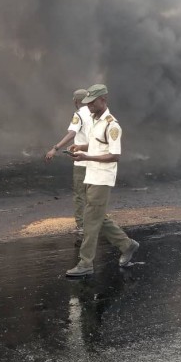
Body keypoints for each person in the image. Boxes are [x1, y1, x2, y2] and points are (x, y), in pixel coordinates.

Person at [65, 84, 139, 277]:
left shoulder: (112, 125)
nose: (88, 106)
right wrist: (81, 147)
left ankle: (86, 263)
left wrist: (86, 157)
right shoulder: (95, 120)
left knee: (90, 220)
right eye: (87, 103)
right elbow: (97, 145)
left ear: (103, 100)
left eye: (92, 103)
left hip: (102, 178)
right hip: (91, 174)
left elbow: (114, 155)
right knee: (98, 216)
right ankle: (127, 244)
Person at [45, 88, 92, 233]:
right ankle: (94, 223)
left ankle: (81, 226)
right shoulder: (97, 113)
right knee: (94, 195)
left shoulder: (79, 115)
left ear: (76, 101)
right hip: (97, 159)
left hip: (82, 161)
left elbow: (72, 133)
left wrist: (55, 148)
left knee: (80, 195)